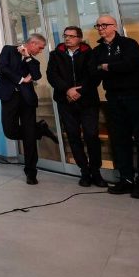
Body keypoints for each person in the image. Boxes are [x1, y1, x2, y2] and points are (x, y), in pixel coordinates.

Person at [91, 15, 139, 199]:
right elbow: (94, 70)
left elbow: (132, 64)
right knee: (120, 139)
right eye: (98, 25)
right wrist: (109, 67)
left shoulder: (128, 44)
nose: (101, 28)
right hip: (113, 97)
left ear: (114, 26)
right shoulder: (98, 50)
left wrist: (106, 67)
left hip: (136, 95)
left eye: (104, 25)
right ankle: (126, 179)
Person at [0, 33, 58, 185]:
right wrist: (21, 79)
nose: (40, 51)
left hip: (27, 100)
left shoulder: (33, 61)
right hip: (9, 97)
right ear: (33, 43)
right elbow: (2, 68)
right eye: (40, 48)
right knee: (10, 131)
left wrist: (28, 57)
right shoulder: (8, 50)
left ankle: (31, 172)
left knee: (29, 136)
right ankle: (40, 129)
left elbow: (36, 75)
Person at [46, 26, 105, 188]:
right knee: (73, 136)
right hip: (65, 101)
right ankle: (84, 172)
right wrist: (67, 90)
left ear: (79, 38)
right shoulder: (55, 54)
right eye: (66, 35)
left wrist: (79, 91)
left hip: (87, 101)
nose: (67, 38)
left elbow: (94, 76)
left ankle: (96, 172)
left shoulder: (90, 53)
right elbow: (52, 76)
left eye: (72, 36)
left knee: (91, 135)